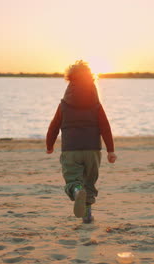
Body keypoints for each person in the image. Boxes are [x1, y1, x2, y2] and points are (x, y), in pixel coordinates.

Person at [46, 60, 117, 224]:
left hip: (71, 150)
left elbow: (53, 126)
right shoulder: (96, 105)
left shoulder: (64, 105)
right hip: (92, 150)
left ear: (70, 80)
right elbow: (105, 127)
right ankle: (87, 214)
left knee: (73, 179)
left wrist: (49, 145)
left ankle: (77, 191)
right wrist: (110, 150)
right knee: (90, 182)